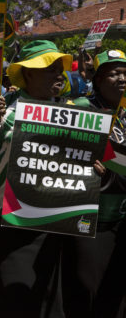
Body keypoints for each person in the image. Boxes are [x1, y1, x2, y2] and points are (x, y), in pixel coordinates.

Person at [0, 40, 105, 318]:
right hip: (10, 222)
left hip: (54, 223)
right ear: (27, 74)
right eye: (49, 69)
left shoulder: (71, 113)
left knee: (46, 299)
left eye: (60, 69)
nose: (59, 74)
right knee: (12, 300)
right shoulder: (4, 109)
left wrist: (94, 168)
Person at [60, 49, 126, 317]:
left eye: (125, 73)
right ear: (98, 80)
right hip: (86, 220)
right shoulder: (78, 110)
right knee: (85, 290)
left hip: (121, 222)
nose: (122, 79)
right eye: (113, 74)